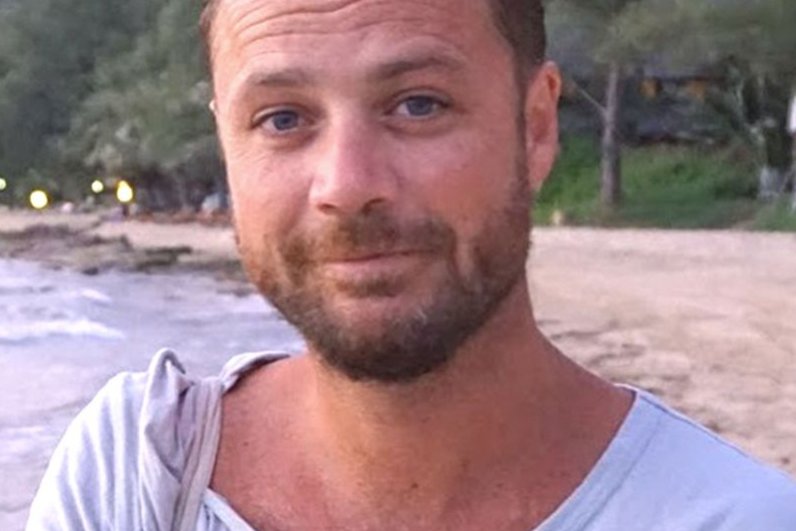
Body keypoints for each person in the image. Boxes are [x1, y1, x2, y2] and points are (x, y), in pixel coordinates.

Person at [27, 0, 796, 529]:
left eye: (418, 104)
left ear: (534, 128)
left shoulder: (734, 516)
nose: (347, 185)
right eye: (283, 118)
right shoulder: (137, 471)